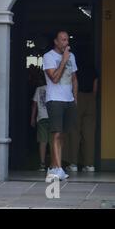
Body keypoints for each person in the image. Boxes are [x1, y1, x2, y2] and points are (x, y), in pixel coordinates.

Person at [43, 31, 78, 180]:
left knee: (62, 134)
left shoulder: (72, 56)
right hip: (55, 99)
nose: (66, 43)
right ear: (56, 41)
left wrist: (75, 99)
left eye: (67, 40)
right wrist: (63, 60)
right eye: (63, 40)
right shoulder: (48, 57)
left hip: (68, 100)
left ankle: (53, 168)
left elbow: (74, 79)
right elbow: (55, 79)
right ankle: (57, 168)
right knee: (56, 134)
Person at [65, 60, 98, 172]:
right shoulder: (92, 68)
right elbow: (95, 83)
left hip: (77, 97)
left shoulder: (75, 68)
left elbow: (73, 81)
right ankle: (89, 165)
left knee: (74, 132)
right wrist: (93, 97)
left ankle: (73, 164)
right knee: (89, 134)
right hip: (91, 99)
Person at [30, 72, 52, 172]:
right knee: (53, 141)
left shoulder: (38, 89)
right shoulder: (54, 88)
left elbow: (34, 105)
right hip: (53, 117)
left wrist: (32, 118)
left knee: (43, 141)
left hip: (42, 117)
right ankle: (53, 164)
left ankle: (42, 164)